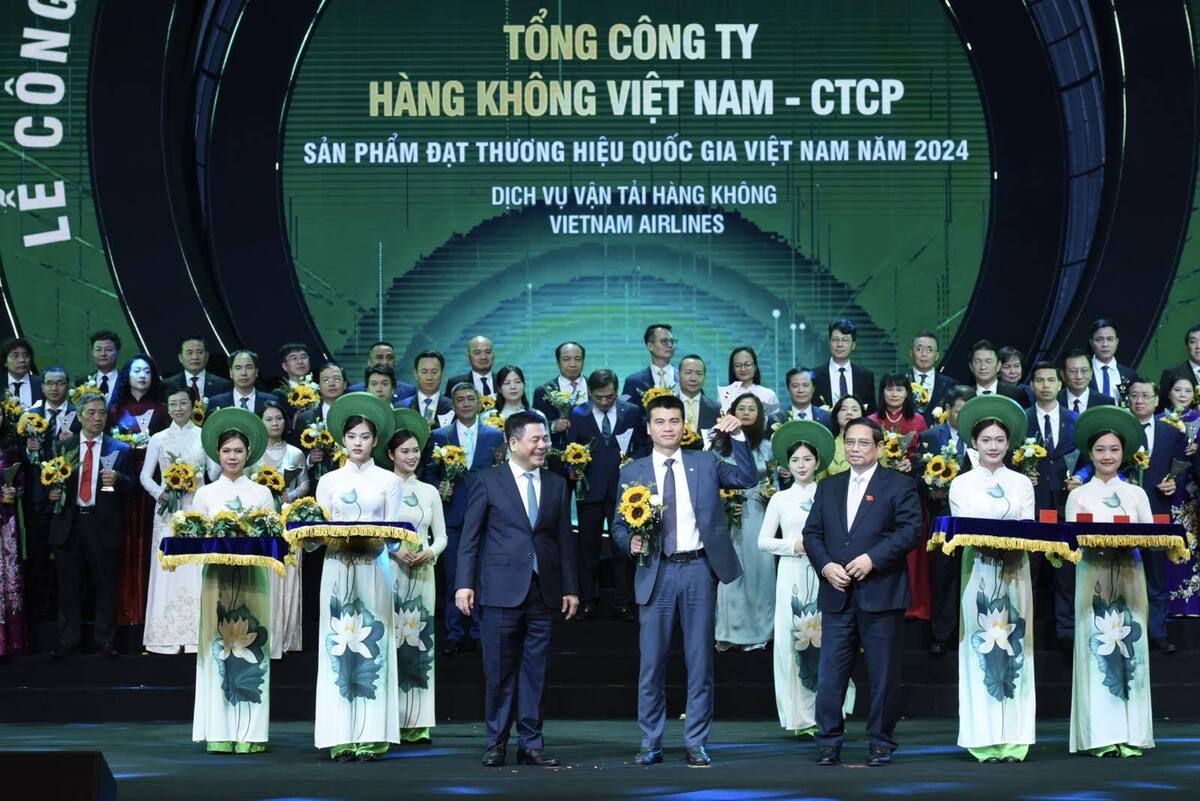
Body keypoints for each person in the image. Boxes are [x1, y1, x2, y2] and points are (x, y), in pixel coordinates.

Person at [612, 395, 755, 768]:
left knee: (700, 662)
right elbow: (618, 525)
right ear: (648, 428)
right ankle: (650, 742)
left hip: (698, 570)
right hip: (655, 571)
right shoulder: (632, 471)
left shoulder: (704, 462)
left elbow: (746, 478)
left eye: (674, 421)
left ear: (684, 425)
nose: (668, 428)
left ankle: (696, 742)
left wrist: (739, 437)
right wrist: (630, 542)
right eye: (660, 421)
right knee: (651, 664)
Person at [455, 411, 580, 768]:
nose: (543, 445)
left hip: (544, 591)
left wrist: (570, 587)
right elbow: (470, 537)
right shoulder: (487, 480)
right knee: (498, 672)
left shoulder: (556, 483)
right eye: (535, 439)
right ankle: (495, 743)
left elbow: (563, 540)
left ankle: (531, 744)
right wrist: (464, 583)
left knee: (535, 673)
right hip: (499, 590)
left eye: (545, 439)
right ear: (513, 443)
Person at [801, 417, 922, 767]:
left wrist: (873, 559)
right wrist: (825, 565)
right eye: (849, 442)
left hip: (881, 592)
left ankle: (881, 741)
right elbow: (812, 533)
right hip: (837, 592)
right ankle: (828, 741)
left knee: (883, 674)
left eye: (863, 443)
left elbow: (910, 530)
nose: (855, 449)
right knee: (830, 674)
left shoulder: (899, 484)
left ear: (879, 447)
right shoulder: (829, 486)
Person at [313, 392, 404, 761]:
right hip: (337, 565)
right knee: (337, 644)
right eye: (352, 437)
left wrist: (374, 536)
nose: (358, 443)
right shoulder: (328, 480)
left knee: (373, 643)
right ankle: (340, 736)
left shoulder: (389, 481)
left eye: (365, 437)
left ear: (375, 440)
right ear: (342, 439)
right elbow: (317, 531)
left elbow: (395, 534)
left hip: (374, 567)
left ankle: (372, 735)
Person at [948, 396, 1037, 763]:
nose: (994, 446)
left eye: (1000, 440)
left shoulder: (1021, 483)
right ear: (974, 442)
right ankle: (982, 739)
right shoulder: (961, 484)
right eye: (986, 440)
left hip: (1016, 569)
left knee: (1016, 647)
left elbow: (1029, 527)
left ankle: (1016, 739)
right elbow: (962, 530)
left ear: (1009, 443)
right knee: (980, 647)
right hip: (979, 571)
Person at [1065, 406, 1156, 757]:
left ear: (1124, 453)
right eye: (1100, 449)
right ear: (1090, 454)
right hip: (1092, 575)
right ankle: (1098, 737)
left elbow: (1151, 537)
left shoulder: (1136, 494)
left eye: (1114, 449)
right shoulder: (1078, 495)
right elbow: (1069, 541)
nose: (1107, 456)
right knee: (1095, 651)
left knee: (1132, 651)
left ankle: (1132, 735)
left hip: (1131, 574)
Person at [757, 420, 854, 735]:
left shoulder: (831, 493)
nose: (801, 465)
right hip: (792, 573)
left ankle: (828, 713)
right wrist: (794, 546)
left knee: (827, 641)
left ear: (817, 462)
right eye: (795, 459)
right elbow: (763, 541)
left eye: (807, 459)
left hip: (826, 572)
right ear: (787, 465)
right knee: (793, 642)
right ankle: (799, 716)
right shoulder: (779, 499)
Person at [189, 408, 274, 753]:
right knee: (217, 647)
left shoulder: (262, 493)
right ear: (217, 453)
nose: (232, 457)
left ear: (249, 453)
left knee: (251, 646)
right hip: (216, 579)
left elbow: (272, 538)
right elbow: (194, 536)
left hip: (253, 578)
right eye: (226, 451)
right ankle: (219, 731)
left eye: (239, 450)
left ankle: (250, 733)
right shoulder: (205, 494)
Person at [44, 391, 135, 658]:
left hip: (102, 523)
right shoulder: (63, 447)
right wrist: (52, 492)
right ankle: (68, 641)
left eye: (102, 413)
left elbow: (133, 487)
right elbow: (50, 480)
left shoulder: (120, 449)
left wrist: (118, 479)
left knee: (106, 586)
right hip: (69, 524)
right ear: (79, 415)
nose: (97, 418)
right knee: (68, 587)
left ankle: (105, 641)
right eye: (91, 413)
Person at [425, 382, 505, 654]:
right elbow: (429, 472)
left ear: (479, 402)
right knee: (453, 576)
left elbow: (501, 472)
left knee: (483, 575)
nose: (466, 403)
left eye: (471, 398)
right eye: (460, 399)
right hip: (453, 516)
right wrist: (438, 486)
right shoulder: (439, 436)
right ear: (453, 405)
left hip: (487, 517)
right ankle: (454, 633)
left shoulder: (494, 435)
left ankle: (480, 632)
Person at [386, 409, 446, 745]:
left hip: (423, 572)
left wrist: (430, 552)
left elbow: (442, 536)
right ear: (391, 454)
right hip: (390, 570)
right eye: (404, 451)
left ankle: (418, 721)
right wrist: (394, 550)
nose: (411, 456)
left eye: (415, 451)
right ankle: (390, 720)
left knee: (421, 641)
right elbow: (376, 531)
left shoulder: (429, 491)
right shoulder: (383, 487)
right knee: (391, 640)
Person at [569, 369, 642, 621]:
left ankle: (624, 601)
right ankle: (588, 600)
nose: (604, 402)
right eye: (598, 397)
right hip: (590, 491)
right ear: (589, 393)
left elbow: (642, 445)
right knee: (587, 549)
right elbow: (570, 450)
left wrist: (634, 461)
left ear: (616, 391)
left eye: (609, 397)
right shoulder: (578, 414)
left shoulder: (632, 412)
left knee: (622, 548)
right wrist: (572, 469)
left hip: (624, 492)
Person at [140, 386, 205, 655]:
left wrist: (198, 487)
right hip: (167, 511)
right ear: (167, 408)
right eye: (173, 404)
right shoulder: (158, 439)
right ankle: (165, 636)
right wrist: (161, 493)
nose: (178, 408)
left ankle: (194, 636)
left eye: (183, 403)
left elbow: (212, 473)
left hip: (195, 508)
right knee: (168, 567)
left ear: (193, 405)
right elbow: (145, 476)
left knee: (194, 568)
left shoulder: (204, 436)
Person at [1126, 378, 1186, 654]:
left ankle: (1157, 632)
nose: (1139, 400)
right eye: (1134, 395)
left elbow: (1180, 469)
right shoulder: (1119, 431)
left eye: (1145, 395)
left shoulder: (1170, 432)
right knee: (1125, 573)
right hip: (1124, 511)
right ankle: (1126, 631)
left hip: (1158, 510)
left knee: (1156, 574)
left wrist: (1174, 484)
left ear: (1157, 400)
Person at [109, 355, 169, 626]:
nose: (142, 376)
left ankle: (151, 610)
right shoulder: (115, 409)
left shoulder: (162, 410)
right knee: (123, 544)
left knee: (149, 543)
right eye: (136, 371)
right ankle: (125, 610)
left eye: (147, 371)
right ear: (127, 376)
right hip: (122, 484)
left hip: (153, 486)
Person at [713, 392, 775, 652]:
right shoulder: (718, 446)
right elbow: (710, 482)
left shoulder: (768, 446)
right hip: (727, 514)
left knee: (759, 572)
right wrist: (724, 501)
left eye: (752, 408)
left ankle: (760, 631)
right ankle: (729, 632)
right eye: (741, 408)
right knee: (731, 574)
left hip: (758, 512)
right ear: (731, 413)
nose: (746, 412)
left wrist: (770, 493)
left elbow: (774, 482)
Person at [917, 385, 975, 655]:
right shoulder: (930, 436)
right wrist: (932, 489)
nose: (963, 417)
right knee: (942, 578)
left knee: (973, 578)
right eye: (959, 411)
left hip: (975, 518)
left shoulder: (981, 436)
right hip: (942, 518)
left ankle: (971, 633)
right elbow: (917, 474)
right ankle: (942, 635)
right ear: (948, 409)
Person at [868, 374, 930, 621]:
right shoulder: (873, 420)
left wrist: (911, 464)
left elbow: (926, 456)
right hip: (879, 489)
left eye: (899, 389)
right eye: (889, 389)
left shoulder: (918, 420)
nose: (894, 394)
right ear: (882, 392)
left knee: (912, 545)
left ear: (907, 393)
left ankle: (913, 604)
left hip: (909, 489)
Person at [1023, 363, 1076, 649]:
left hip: (1066, 506)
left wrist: (1080, 477)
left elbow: (1087, 459)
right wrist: (1022, 473)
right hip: (1031, 508)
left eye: (1051, 380)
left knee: (1066, 574)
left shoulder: (1074, 419)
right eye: (1040, 380)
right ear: (1031, 385)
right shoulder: (1023, 419)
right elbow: (1009, 456)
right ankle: (1026, 633)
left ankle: (1066, 632)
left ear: (1060, 384)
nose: (1046, 385)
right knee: (1029, 573)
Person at [253, 400, 309, 658]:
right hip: (261, 523)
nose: (275, 423)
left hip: (288, 522)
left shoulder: (295, 453)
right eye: (269, 419)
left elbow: (305, 483)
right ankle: (260, 636)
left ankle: (285, 638)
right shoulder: (252, 453)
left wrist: (290, 495)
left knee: (287, 576)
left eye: (279, 418)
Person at [21, 366, 77, 623]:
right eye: (50, 383)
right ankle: (41, 615)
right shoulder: (29, 417)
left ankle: (68, 613)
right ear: (41, 386)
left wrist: (73, 440)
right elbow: (16, 455)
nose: (55, 388)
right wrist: (27, 448)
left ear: (68, 386)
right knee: (38, 556)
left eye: (60, 382)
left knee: (69, 557)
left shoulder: (78, 415)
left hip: (70, 498)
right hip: (38, 499)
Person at [531, 341, 587, 448]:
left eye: (577, 359)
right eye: (566, 359)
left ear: (583, 361)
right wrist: (552, 425)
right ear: (558, 362)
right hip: (557, 452)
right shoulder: (543, 391)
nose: (572, 364)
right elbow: (534, 425)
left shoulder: (593, 387)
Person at [814, 319, 875, 411]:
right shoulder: (815, 375)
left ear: (853, 345)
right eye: (835, 339)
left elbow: (871, 413)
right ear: (829, 343)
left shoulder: (866, 377)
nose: (840, 344)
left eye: (845, 340)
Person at [0, 439, 26, 656]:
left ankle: (9, 640)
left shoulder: (8, 450)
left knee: (7, 576)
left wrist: (13, 491)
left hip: (5, 519)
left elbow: (21, 483)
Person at [906, 332, 957, 424]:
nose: (924, 354)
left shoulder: (950, 384)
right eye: (919, 349)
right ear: (911, 353)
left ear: (937, 356)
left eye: (929, 350)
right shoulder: (900, 381)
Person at [161, 334, 231, 401]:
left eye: (200, 352)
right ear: (180, 358)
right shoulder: (167, 385)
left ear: (207, 356)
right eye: (189, 353)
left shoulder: (223, 385)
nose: (195, 357)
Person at [208, 350, 280, 413]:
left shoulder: (271, 401)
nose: (244, 373)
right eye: (238, 368)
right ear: (231, 373)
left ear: (256, 372)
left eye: (248, 367)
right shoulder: (216, 402)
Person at [623, 324, 677, 406]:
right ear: (650, 346)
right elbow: (626, 411)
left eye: (672, 341)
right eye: (664, 341)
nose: (670, 345)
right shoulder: (633, 382)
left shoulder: (683, 378)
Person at [717, 345, 780, 417]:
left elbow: (775, 422)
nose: (743, 369)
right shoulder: (725, 394)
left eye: (747, 364)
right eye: (738, 365)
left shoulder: (769, 395)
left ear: (755, 367)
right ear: (733, 369)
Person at [346, 341, 416, 402]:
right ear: (370, 362)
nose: (385, 362)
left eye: (389, 358)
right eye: (379, 357)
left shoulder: (409, 391)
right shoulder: (354, 391)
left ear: (395, 362)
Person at [1087, 319, 1134, 403]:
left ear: (1117, 342)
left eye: (1110, 339)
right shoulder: (1082, 372)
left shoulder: (1129, 375)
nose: (1105, 344)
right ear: (1091, 342)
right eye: (1099, 339)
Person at [400, 350, 452, 424]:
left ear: (442, 373)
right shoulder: (401, 407)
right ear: (415, 374)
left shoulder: (453, 408)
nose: (429, 377)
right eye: (424, 372)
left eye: (434, 372)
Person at [967, 340, 1026, 404]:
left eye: (988, 361)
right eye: (978, 361)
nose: (983, 367)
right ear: (971, 366)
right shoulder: (965, 396)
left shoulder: (1017, 393)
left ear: (998, 365)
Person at [1059, 348, 1114, 414]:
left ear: (1091, 373)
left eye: (1084, 370)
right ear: (1063, 374)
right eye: (1073, 371)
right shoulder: (1054, 400)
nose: (1079, 377)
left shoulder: (1105, 403)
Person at [675, 354, 722, 432]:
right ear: (678, 375)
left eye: (699, 373)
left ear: (704, 377)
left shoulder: (716, 409)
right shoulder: (667, 406)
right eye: (688, 372)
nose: (693, 378)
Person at [823, 395, 866, 477]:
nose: (849, 412)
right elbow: (821, 481)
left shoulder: (874, 445)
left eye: (854, 409)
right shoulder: (827, 446)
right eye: (843, 409)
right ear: (836, 416)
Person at [443, 336, 497, 400]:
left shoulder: (503, 380)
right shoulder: (455, 383)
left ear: (493, 354)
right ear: (468, 357)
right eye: (477, 353)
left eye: (488, 352)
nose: (483, 357)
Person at [1156, 323, 1200, 393]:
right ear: (1187, 347)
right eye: (1193, 342)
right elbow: (1163, 399)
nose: (1198, 346)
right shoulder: (1171, 374)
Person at [84, 330, 122, 406]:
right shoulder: (82, 383)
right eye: (98, 350)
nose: (103, 353)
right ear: (92, 352)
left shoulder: (129, 382)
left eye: (108, 349)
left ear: (117, 352)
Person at [1, 337, 40, 408]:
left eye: (26, 355)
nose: (22, 360)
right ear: (5, 362)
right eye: (15, 356)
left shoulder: (41, 384)